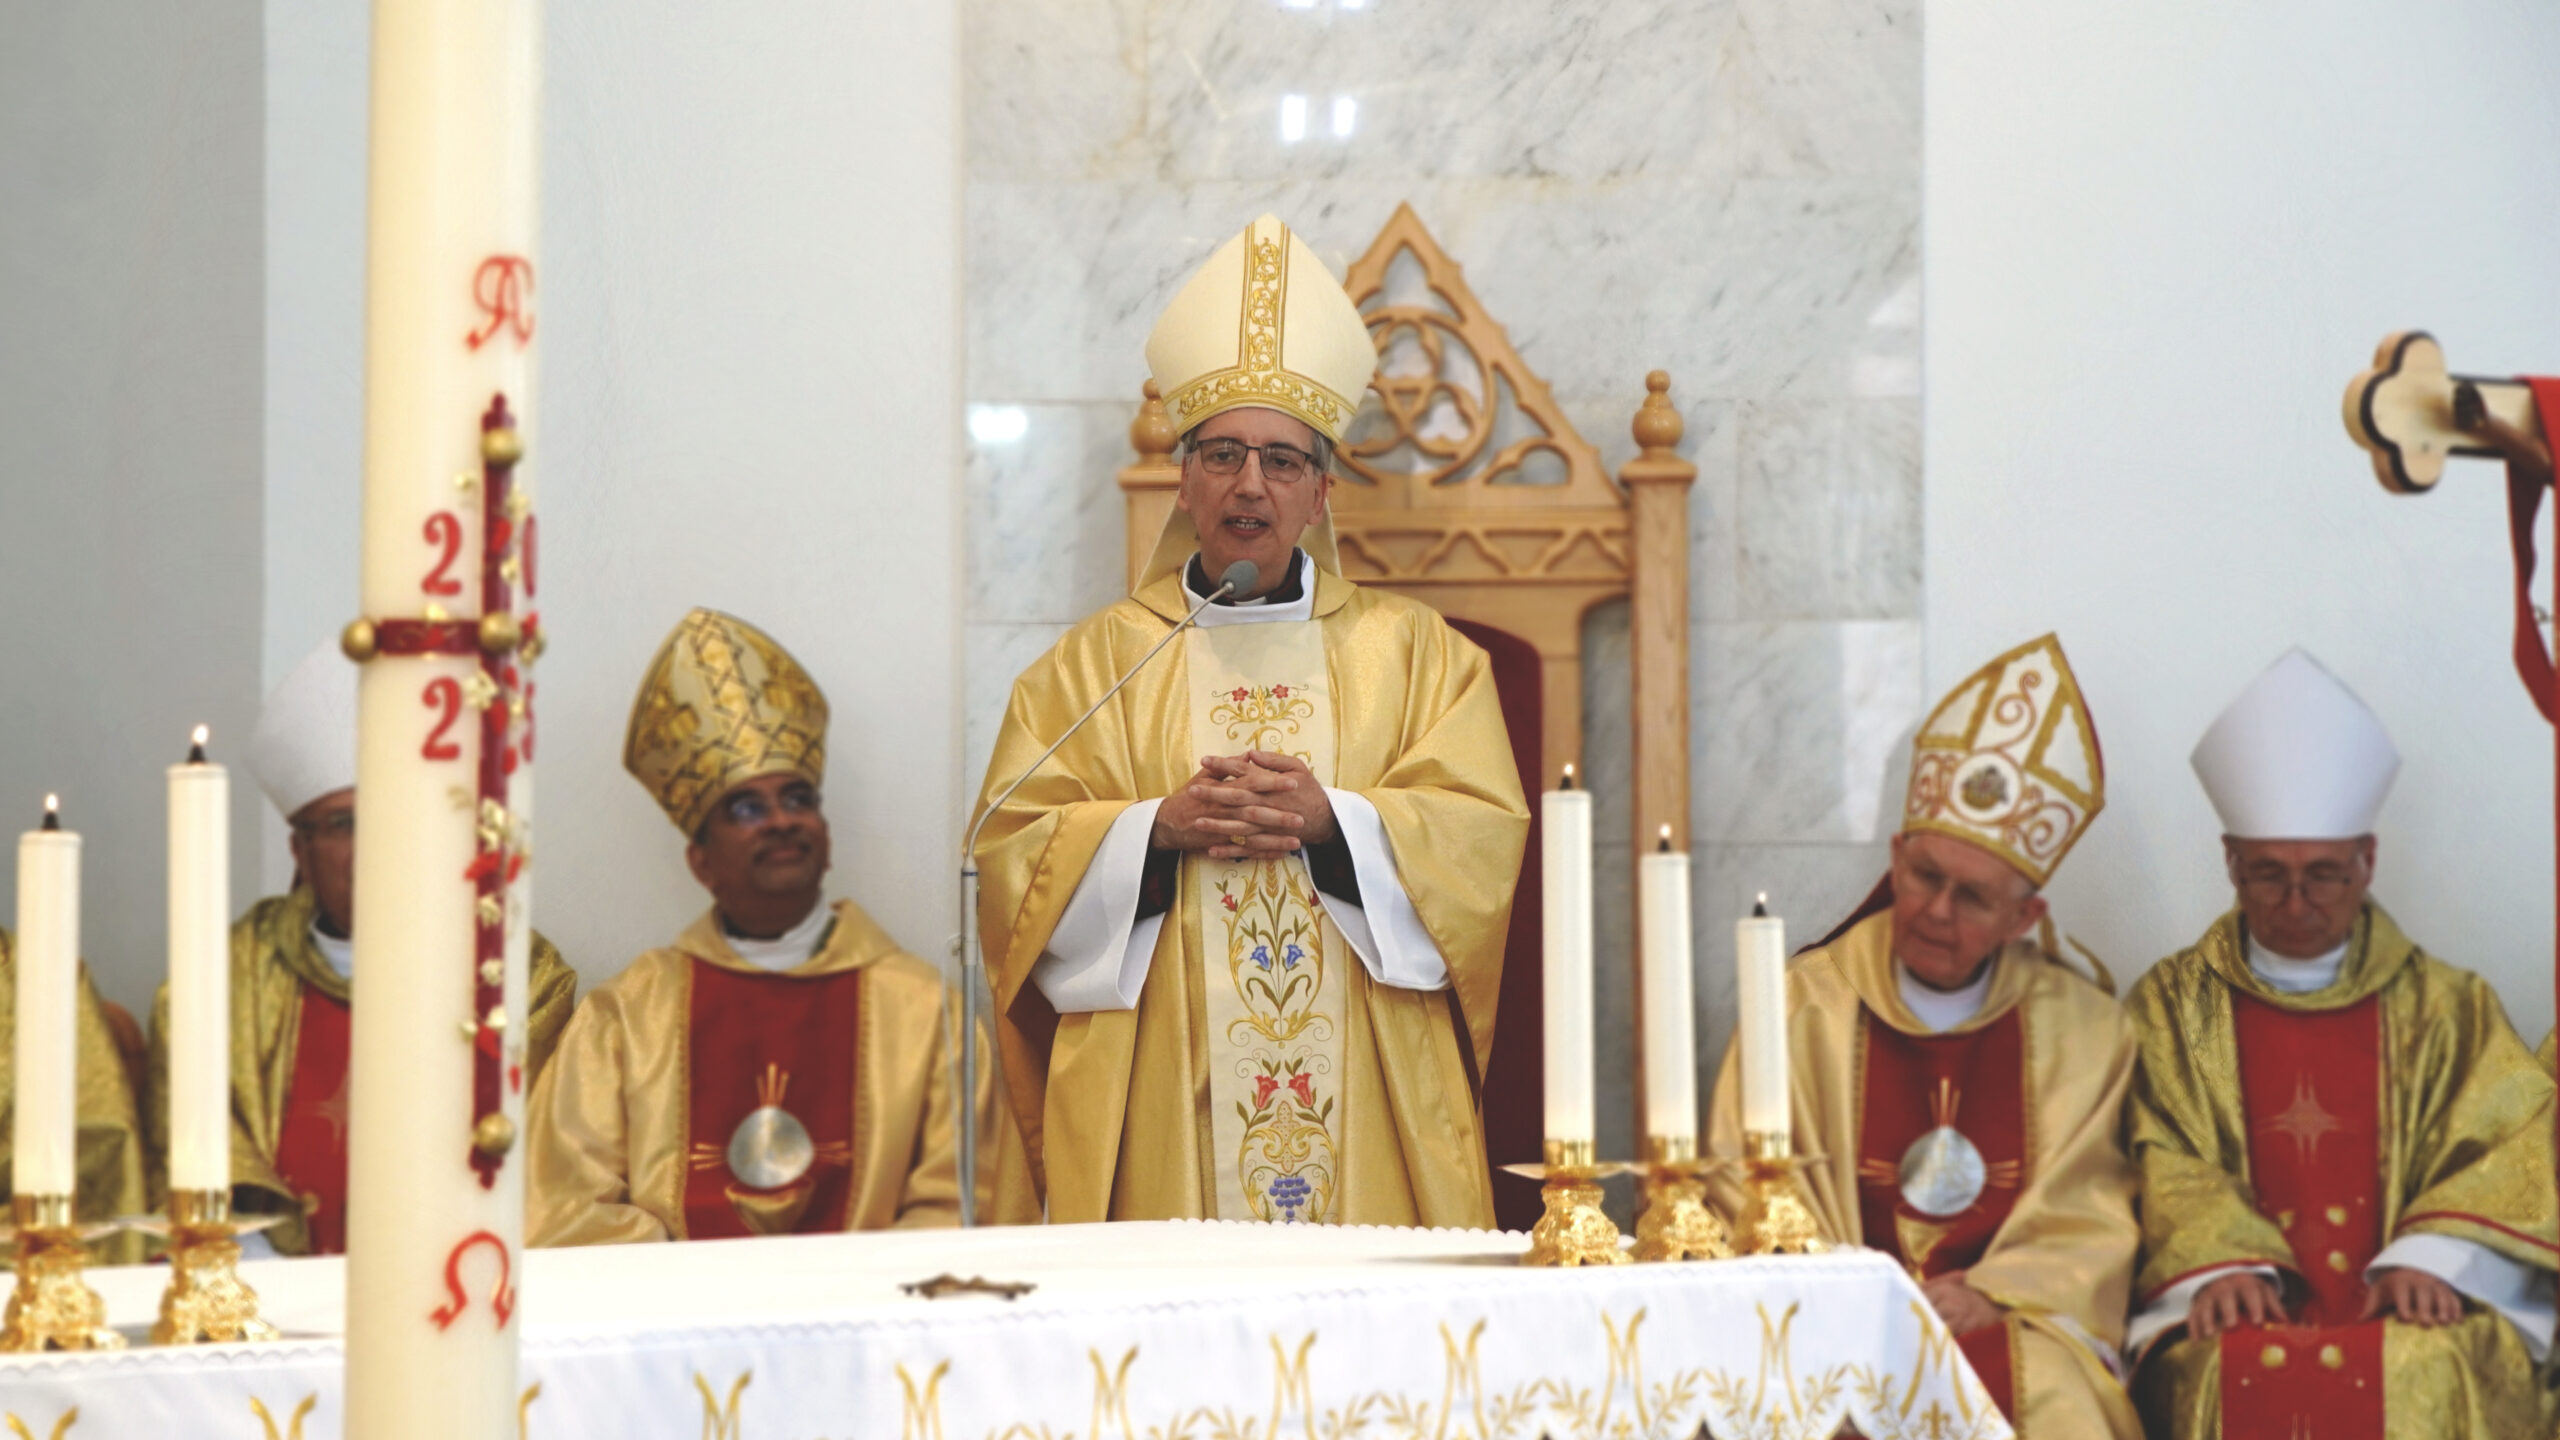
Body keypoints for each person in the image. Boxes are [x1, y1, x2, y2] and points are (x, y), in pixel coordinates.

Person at [972, 214, 1531, 1227]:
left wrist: (1336, 823)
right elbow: (1010, 849)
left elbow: (1481, 840)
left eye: (1282, 461)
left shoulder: (1421, 657)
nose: (1249, 484)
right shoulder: (1094, 667)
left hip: (1366, 1092)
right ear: (1184, 479)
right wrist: (1154, 831)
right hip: (1163, 1098)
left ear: (1320, 494)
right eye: (1223, 453)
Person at [1705, 634, 2141, 1437]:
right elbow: (1744, 1185)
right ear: (1897, 857)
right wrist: (1863, 1300)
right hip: (1828, 1312)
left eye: (1973, 897)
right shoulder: (1805, 1005)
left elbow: (2087, 1220)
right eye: (1924, 876)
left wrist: (1992, 1291)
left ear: (2025, 917)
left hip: (1999, 1318)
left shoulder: (2084, 1031)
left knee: (2060, 1398)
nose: (1937, 911)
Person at [2127, 648, 2557, 1438]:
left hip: (2407, 1302)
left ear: (2368, 862)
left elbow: (2508, 1153)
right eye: (2268, 874)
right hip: (2238, 1301)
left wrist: (2431, 1260)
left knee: (2427, 1365)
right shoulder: (2172, 1007)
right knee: (2218, 1365)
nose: (2296, 904)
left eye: (2322, 874)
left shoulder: (2449, 1007)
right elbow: (2154, 1151)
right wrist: (2220, 1265)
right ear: (2230, 862)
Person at [527, 608, 1030, 1243]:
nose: (781, 820)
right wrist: (709, 1281)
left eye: (798, 800)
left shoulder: (924, 1013)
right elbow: (561, 1210)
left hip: (870, 1308)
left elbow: (972, 1215)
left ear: (825, 838)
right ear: (701, 862)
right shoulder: (627, 1018)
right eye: (746, 808)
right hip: (678, 1309)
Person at [147, 642, 577, 1255]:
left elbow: (537, 1176)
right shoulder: (224, 979)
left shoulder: (513, 972)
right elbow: (186, 1157)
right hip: (264, 1284)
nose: (376, 843)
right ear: (300, 851)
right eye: (345, 823)